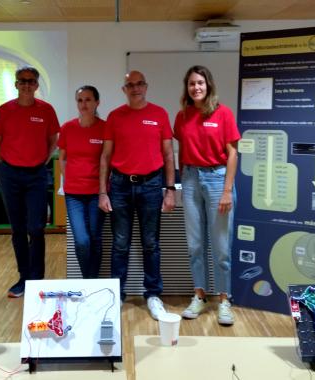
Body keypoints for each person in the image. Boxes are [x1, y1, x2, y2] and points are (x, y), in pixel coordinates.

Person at [99, 70, 176, 320]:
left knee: (151, 244)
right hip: (120, 185)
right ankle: (116, 295)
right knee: (120, 244)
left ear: (146, 86)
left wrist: (170, 189)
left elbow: (168, 154)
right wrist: (103, 191)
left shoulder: (159, 114)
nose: (135, 88)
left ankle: (153, 295)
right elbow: (106, 157)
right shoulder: (114, 117)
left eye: (139, 84)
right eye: (130, 85)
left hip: (152, 185)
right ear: (124, 89)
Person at [173, 65, 240, 325]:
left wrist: (226, 190)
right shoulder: (182, 116)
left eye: (200, 82)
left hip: (217, 180)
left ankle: (224, 300)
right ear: (187, 87)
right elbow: (182, 148)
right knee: (195, 245)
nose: (196, 87)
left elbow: (233, 153)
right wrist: (183, 180)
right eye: (191, 83)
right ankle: (199, 295)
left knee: (221, 247)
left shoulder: (223, 113)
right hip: (190, 180)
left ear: (208, 85)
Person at [0, 66, 60, 298]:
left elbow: (53, 140)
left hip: (36, 175)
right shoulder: (3, 111)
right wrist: (10, 165)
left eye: (31, 81)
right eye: (22, 81)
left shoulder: (47, 110)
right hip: (10, 174)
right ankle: (24, 277)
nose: (27, 85)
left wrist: (40, 161)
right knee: (18, 229)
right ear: (16, 84)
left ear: (37, 85)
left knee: (36, 228)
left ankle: (37, 278)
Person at [58, 85, 105, 278]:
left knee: (95, 238)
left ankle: (92, 282)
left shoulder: (105, 128)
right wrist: (69, 179)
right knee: (82, 241)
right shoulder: (68, 128)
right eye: (80, 100)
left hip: (97, 193)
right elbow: (62, 157)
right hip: (74, 194)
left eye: (87, 99)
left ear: (97, 102)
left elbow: (108, 159)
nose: (83, 104)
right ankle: (88, 280)